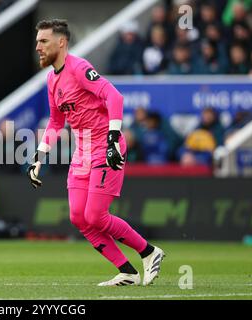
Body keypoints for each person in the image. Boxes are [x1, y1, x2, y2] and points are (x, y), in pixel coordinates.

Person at [28, 19, 164, 287]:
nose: (38, 47)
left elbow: (114, 97)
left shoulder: (79, 68)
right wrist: (39, 156)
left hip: (105, 144)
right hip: (83, 151)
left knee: (95, 216)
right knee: (78, 216)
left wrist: (114, 137)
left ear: (61, 42)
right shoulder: (51, 79)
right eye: (37, 42)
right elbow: (56, 122)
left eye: (43, 41)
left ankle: (149, 252)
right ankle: (127, 271)